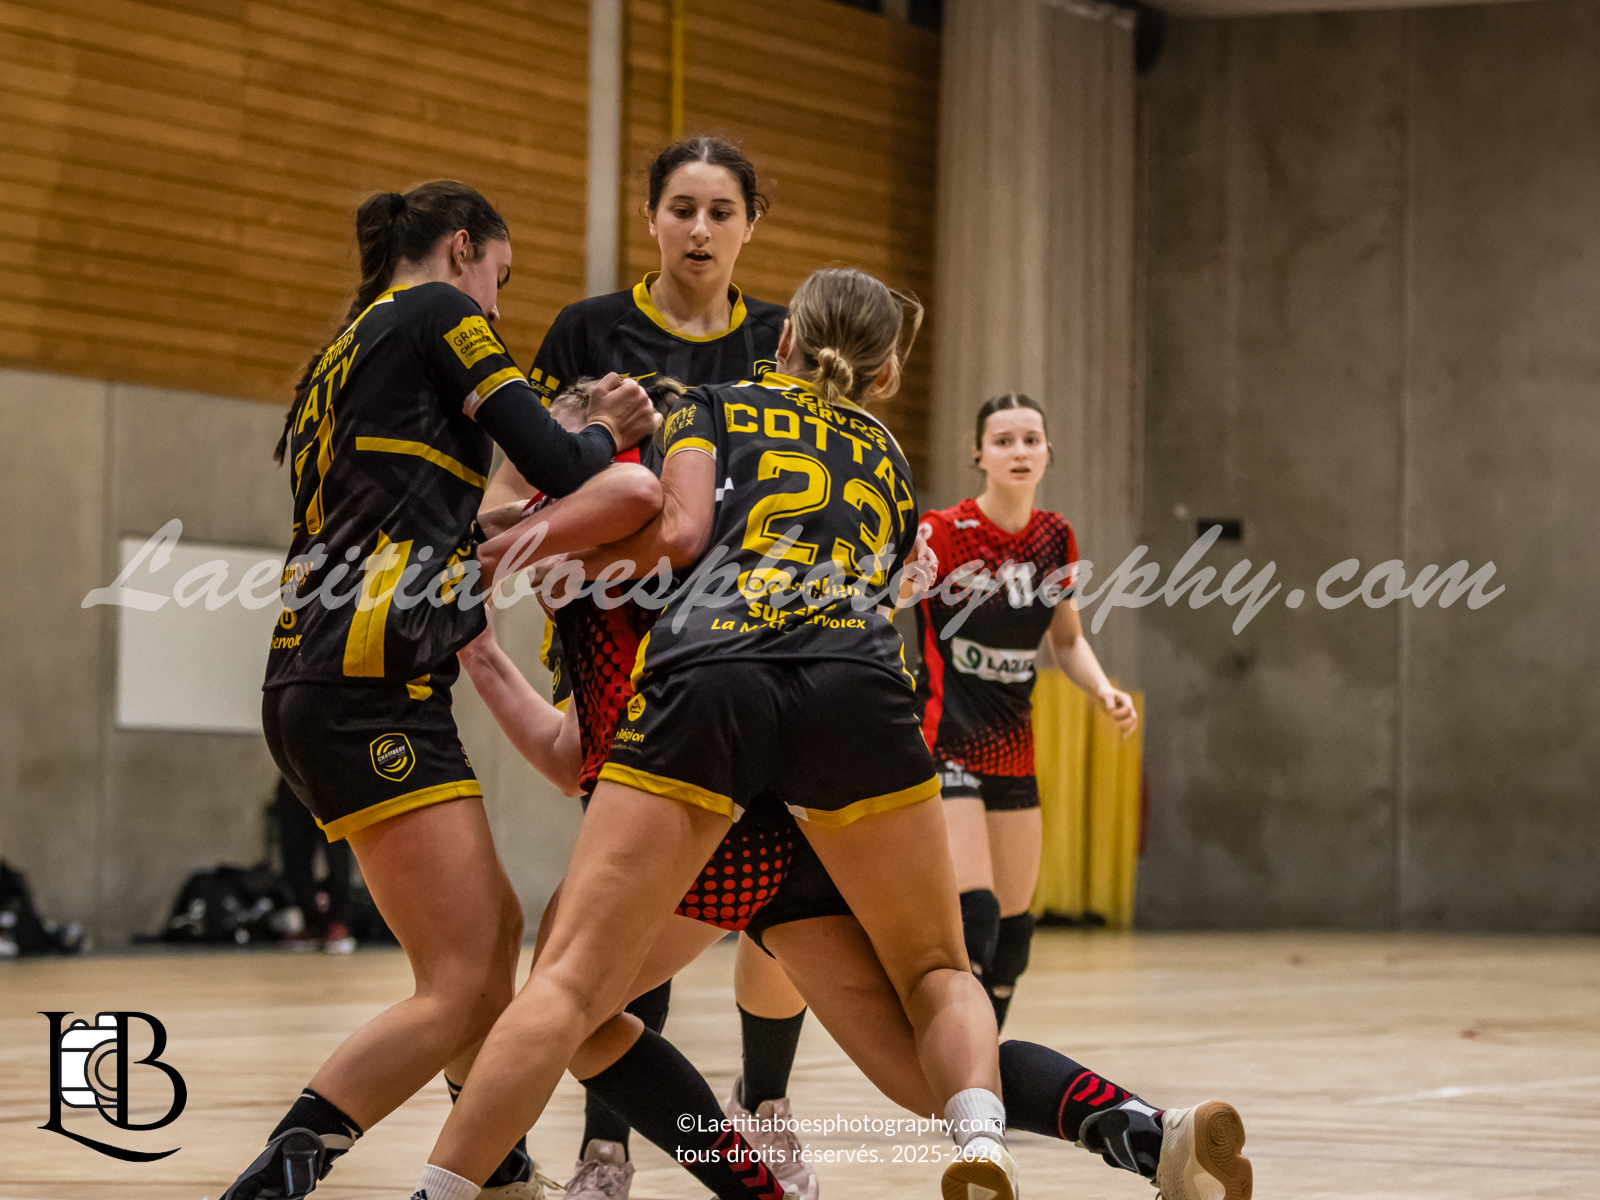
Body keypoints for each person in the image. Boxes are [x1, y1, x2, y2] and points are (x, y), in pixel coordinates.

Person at [411, 266, 1027, 1200]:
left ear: (782, 341)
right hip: (857, 690)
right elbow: (888, 584)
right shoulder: (892, 459)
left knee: (568, 987)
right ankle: (982, 1138)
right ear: (887, 375)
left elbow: (677, 531)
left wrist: (527, 551)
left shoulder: (710, 406)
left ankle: (456, 1187)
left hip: (713, 687)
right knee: (939, 967)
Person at [221, 180, 657, 1200]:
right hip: (363, 682)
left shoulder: (346, 347)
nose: (498, 306)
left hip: (336, 675)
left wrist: (492, 534)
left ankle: (498, 1173)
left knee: (489, 939)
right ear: (463, 249)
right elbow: (556, 460)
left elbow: (409, 514)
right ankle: (274, 1185)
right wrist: (604, 427)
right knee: (462, 983)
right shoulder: (437, 311)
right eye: (499, 277)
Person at [478, 136, 817, 1200]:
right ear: (651, 216)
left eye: (721, 211)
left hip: (750, 652)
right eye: (682, 208)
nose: (700, 230)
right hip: (619, 647)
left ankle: (768, 1110)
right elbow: (514, 488)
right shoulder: (587, 331)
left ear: (752, 223)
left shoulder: (781, 340)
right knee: (623, 900)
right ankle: (605, 1147)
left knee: (778, 898)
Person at [915, 393, 1138, 1030]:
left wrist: (1102, 690)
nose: (1019, 451)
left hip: (1012, 747)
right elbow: (889, 600)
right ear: (978, 454)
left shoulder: (1054, 536)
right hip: (946, 740)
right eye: (1004, 440)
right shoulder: (942, 530)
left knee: (1014, 937)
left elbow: (1066, 641)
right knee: (976, 916)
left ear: (1047, 453)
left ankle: (984, 1063)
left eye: (1031, 440)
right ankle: (944, 1053)